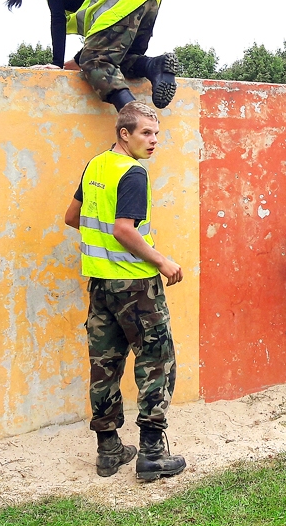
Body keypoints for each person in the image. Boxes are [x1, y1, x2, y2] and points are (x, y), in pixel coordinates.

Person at [64, 101, 186, 481]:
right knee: (157, 361)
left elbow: (72, 217)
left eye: (156, 134)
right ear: (124, 134)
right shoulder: (133, 174)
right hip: (136, 286)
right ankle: (151, 453)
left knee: (105, 364)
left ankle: (109, 450)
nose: (153, 142)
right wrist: (162, 261)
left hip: (100, 284)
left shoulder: (96, 165)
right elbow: (124, 229)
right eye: (146, 134)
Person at [7, 0, 179, 111]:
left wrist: (57, 63)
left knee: (95, 63)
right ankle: (156, 66)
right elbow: (100, 43)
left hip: (123, 6)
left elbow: (57, 20)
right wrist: (75, 62)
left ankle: (134, 114)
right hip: (146, 0)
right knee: (118, 60)